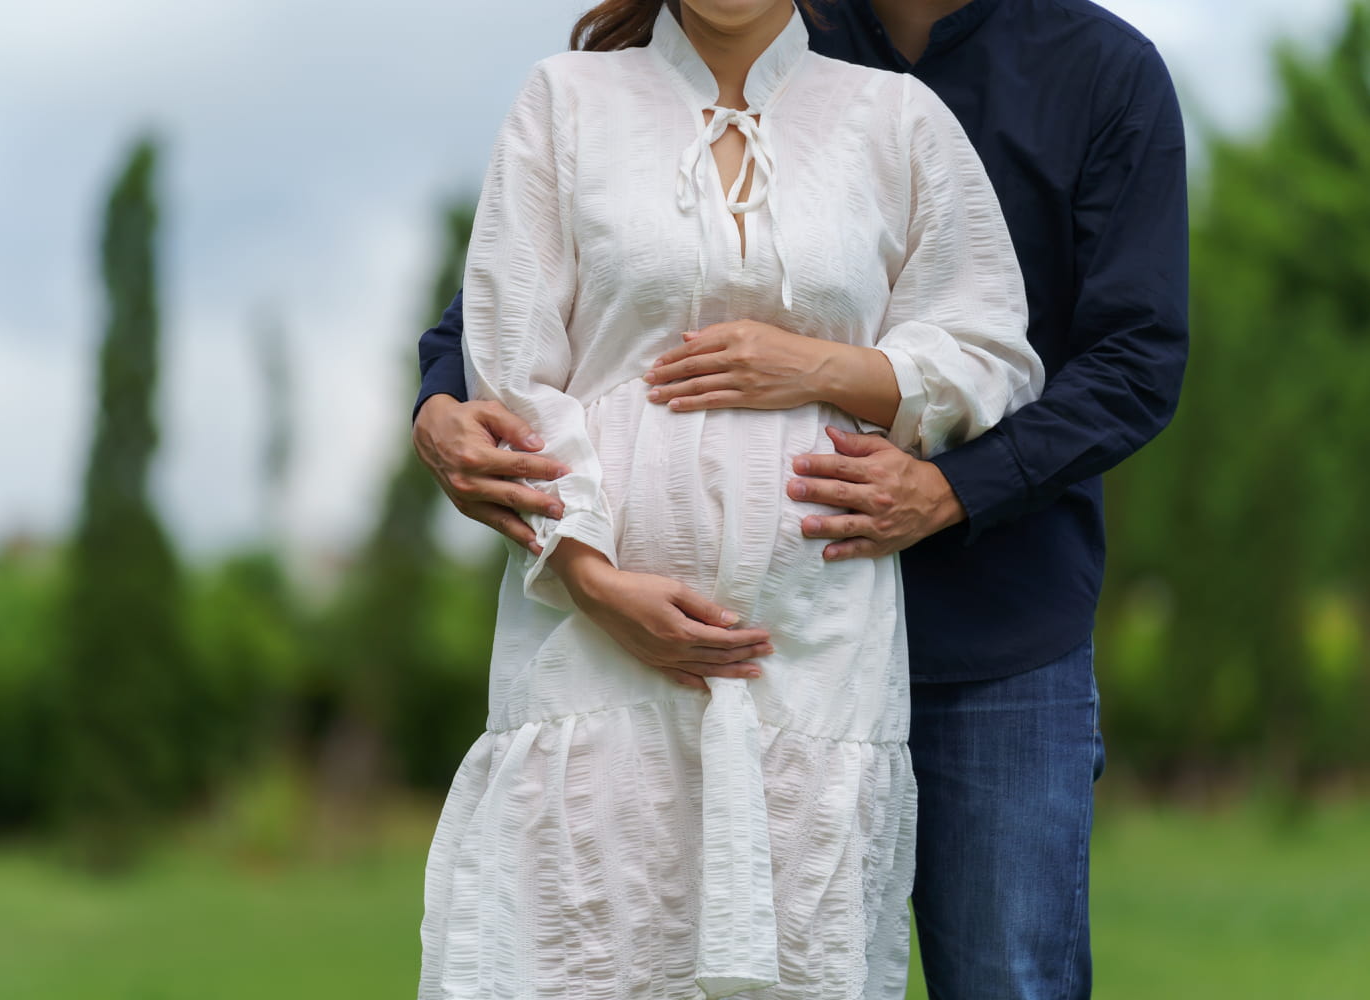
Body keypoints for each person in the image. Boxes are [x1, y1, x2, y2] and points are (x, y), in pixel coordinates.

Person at [414, 0, 1189, 996]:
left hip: (984, 630)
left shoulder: (1091, 73)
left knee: (1004, 977)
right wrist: (440, 407)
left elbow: (1130, 364)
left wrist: (941, 481)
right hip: (663, 643)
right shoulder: (728, 36)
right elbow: (513, 309)